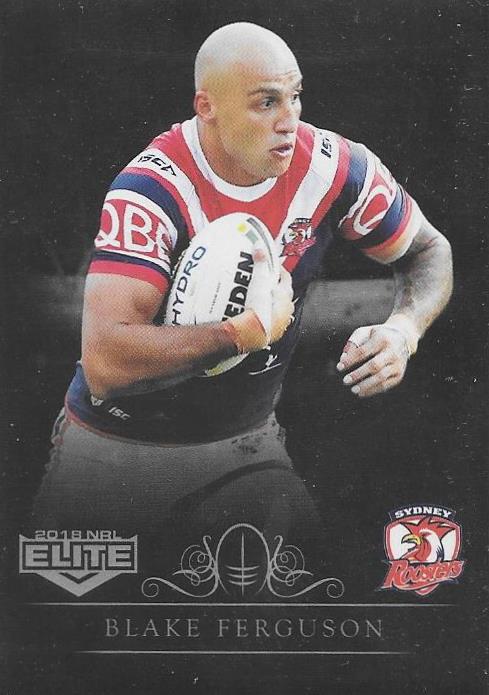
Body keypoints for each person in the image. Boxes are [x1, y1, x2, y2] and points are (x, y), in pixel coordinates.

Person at [31, 23, 452, 572]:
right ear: (207, 107)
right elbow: (107, 364)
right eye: (266, 102)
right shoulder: (151, 190)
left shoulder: (334, 169)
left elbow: (428, 250)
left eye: (295, 96)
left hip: (243, 448)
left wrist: (404, 329)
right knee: (84, 622)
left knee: (299, 602)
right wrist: (243, 334)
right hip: (108, 456)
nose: (289, 119)